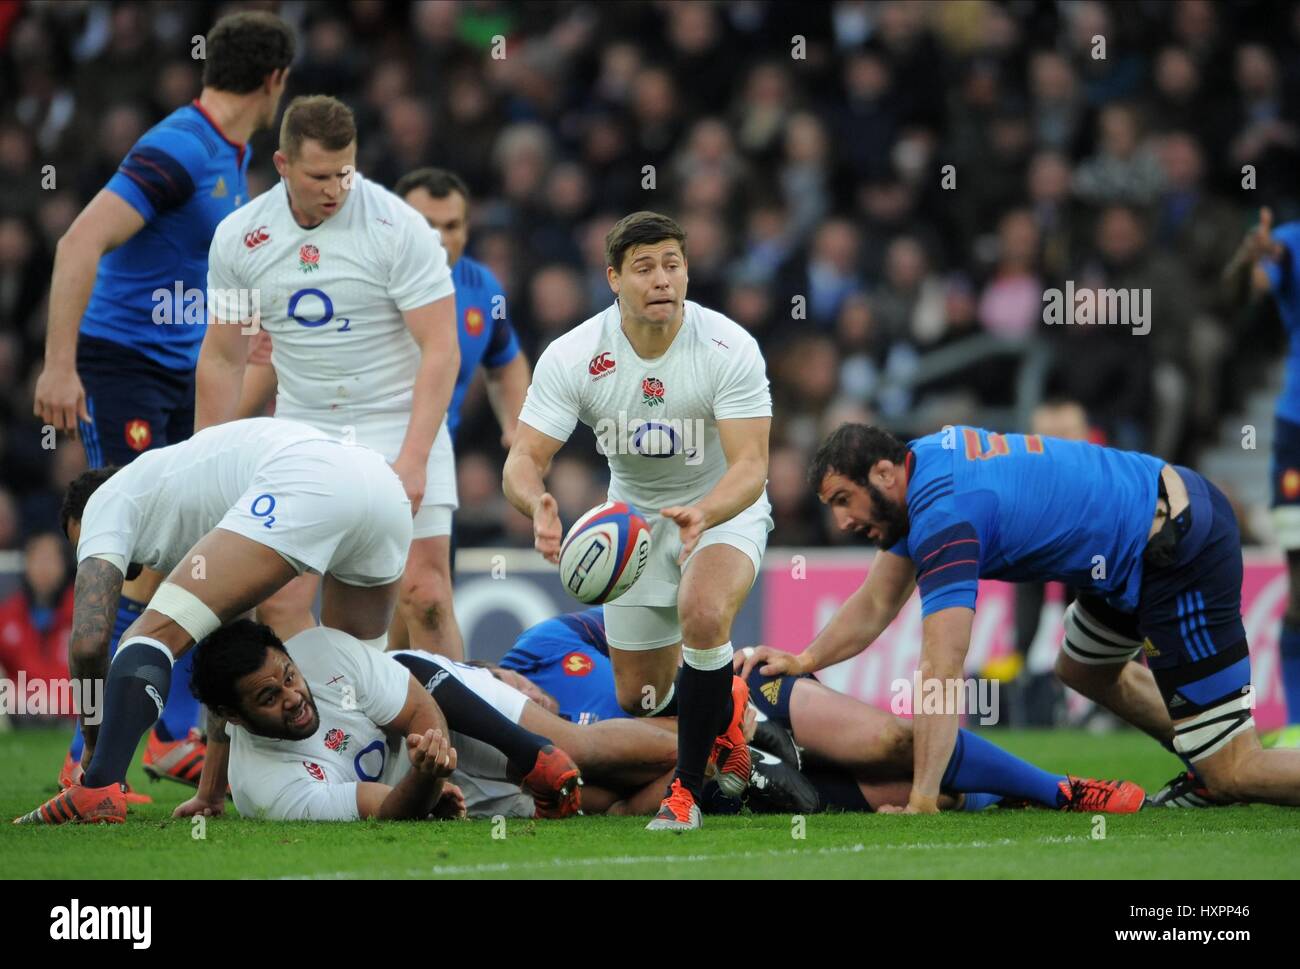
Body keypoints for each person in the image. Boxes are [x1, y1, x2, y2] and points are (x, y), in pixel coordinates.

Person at [744, 422, 1300, 812]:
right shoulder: (925, 465)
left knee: (1237, 769)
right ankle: (1203, 768)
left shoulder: (943, 514)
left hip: (1177, 548)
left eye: (844, 499)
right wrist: (806, 658)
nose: (841, 521)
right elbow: (875, 602)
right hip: (1139, 533)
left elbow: (942, 664)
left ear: (885, 474)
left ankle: (1214, 773)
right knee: (1083, 669)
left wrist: (922, 798)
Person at [30, 9, 295, 792]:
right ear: (276, 80)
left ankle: (152, 736)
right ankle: (104, 750)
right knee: (133, 547)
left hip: (177, 373)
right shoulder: (180, 148)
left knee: (188, 551)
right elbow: (79, 241)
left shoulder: (228, 150)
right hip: (125, 369)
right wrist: (57, 367)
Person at [503, 211, 772, 830]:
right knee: (639, 696)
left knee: (703, 615)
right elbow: (523, 459)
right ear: (614, 279)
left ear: (687, 273)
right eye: (644, 268)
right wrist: (536, 501)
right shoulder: (574, 355)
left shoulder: (728, 346)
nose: (661, 280)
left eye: (672, 265)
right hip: (633, 521)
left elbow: (752, 465)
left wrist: (705, 512)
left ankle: (686, 795)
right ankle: (726, 709)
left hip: (720, 505)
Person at [14, 418, 414, 825]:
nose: (88, 561)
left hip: (305, 477)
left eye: (81, 544)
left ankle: (98, 789)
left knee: (148, 636)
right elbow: (230, 653)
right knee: (357, 674)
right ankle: (434, 767)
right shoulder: (191, 506)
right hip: (381, 487)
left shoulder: (105, 501)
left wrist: (93, 737)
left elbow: (88, 643)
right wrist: (210, 792)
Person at [195, 96, 460, 659]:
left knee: (427, 595)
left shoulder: (398, 227)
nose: (336, 188)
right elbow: (223, 357)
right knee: (281, 604)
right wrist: (204, 462)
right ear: (283, 164)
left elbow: (440, 348)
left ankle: (459, 744)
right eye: (319, 175)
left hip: (398, 421)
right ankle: (326, 729)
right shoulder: (242, 238)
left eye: (346, 171)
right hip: (304, 429)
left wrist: (412, 461)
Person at [501, 609, 1146, 814]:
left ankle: (1062, 790)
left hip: (743, 693)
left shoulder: (542, 645)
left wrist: (727, 658)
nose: (521, 695)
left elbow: (648, 623)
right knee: (876, 792)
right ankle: (990, 798)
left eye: (505, 682)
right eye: (504, 698)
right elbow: (618, 807)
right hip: (728, 768)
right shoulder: (540, 754)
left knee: (894, 740)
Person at [182, 619, 681, 820]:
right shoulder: (266, 788)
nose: (293, 697)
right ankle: (727, 759)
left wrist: (434, 755)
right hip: (429, 782)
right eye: (270, 697)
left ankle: (718, 726)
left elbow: (419, 705)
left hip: (439, 710)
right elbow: (387, 810)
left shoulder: (321, 651)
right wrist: (427, 777)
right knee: (606, 806)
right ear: (233, 717)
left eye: (289, 676)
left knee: (578, 752)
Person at [1224, 207, 1300, 747]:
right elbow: (1239, 294)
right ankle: (1297, 726)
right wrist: (1250, 257)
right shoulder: (1291, 242)